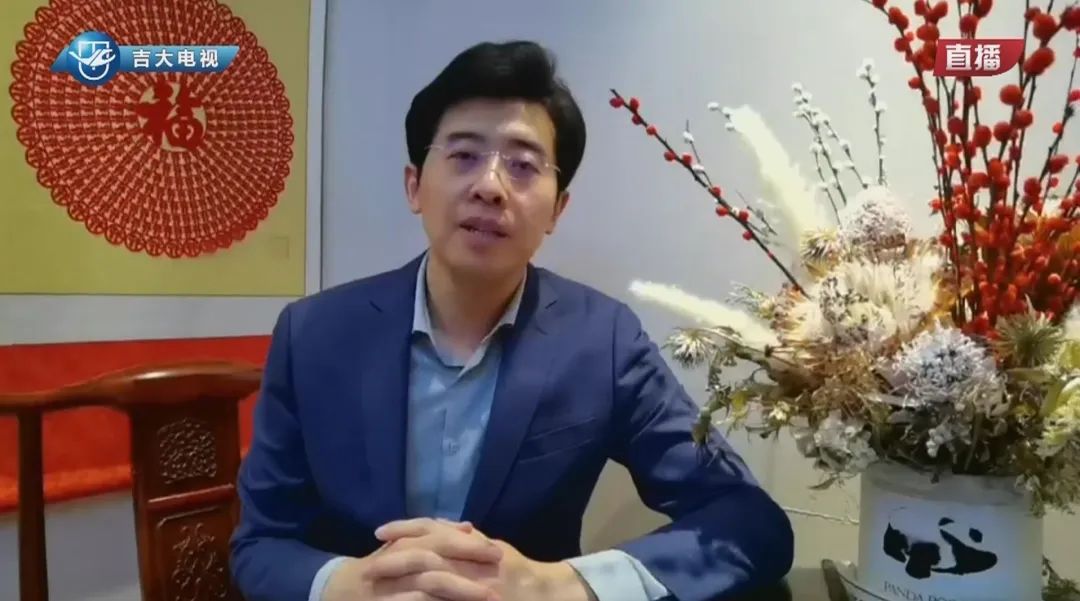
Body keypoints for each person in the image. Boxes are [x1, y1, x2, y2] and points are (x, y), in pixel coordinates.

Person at [229, 40, 794, 601]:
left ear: (557, 209)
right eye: (463, 156)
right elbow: (261, 543)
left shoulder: (603, 341)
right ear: (414, 186)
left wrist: (560, 584)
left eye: (523, 165)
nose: (489, 187)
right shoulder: (314, 334)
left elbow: (748, 520)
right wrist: (345, 585)